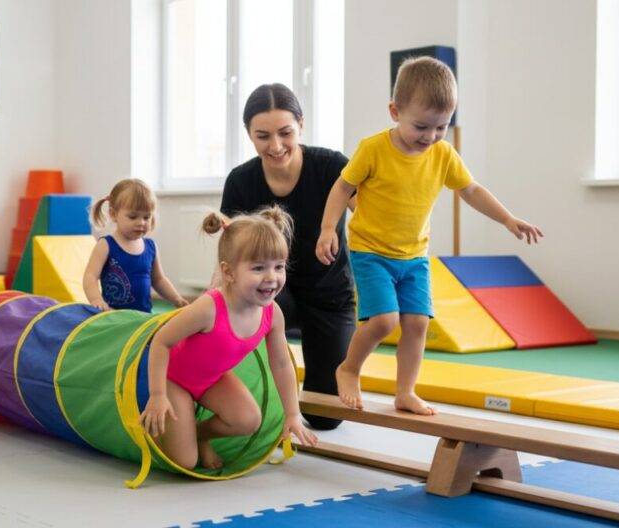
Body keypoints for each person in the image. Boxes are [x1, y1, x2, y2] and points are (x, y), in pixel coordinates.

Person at [316, 56, 543, 415]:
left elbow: (471, 190)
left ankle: (405, 391)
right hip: (371, 252)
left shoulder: (442, 154)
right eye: (421, 126)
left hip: (414, 256)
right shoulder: (373, 149)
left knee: (418, 323)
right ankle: (349, 369)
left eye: (441, 127)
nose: (431, 136)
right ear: (395, 111)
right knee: (384, 321)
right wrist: (329, 228)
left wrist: (507, 219)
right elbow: (343, 187)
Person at [140, 206, 317, 470]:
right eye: (258, 268)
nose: (272, 277)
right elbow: (161, 341)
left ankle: (199, 434)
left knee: (248, 420)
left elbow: (281, 364)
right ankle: (179, 436)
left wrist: (292, 414)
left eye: (279, 266)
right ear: (229, 272)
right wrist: (157, 394)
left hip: (211, 380)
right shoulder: (209, 308)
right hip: (173, 380)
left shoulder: (272, 314)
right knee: (185, 462)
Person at [221, 83, 356, 431]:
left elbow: (372, 218)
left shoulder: (331, 167)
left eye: (285, 133)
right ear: (248, 134)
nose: (276, 146)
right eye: (263, 136)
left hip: (329, 296)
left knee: (325, 417)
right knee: (261, 402)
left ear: (301, 125)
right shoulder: (241, 181)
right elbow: (230, 252)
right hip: (270, 293)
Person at [83, 178, 189, 313]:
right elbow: (90, 276)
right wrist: (96, 300)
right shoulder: (106, 245)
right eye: (133, 217)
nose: (141, 223)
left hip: (143, 317)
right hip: (112, 315)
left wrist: (176, 298)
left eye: (146, 217)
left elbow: (159, 280)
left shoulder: (151, 247)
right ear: (113, 214)